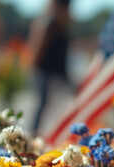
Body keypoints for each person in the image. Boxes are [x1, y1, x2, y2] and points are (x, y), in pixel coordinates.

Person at [29, 0, 72, 134]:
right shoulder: (49, 24)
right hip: (47, 73)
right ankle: (35, 135)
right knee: (43, 106)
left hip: (58, 75)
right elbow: (38, 51)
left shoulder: (59, 25)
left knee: (52, 108)